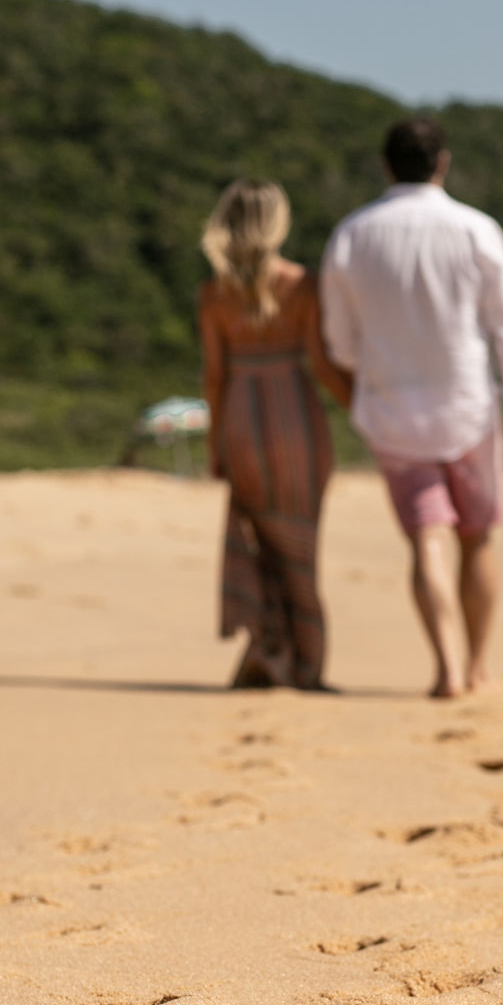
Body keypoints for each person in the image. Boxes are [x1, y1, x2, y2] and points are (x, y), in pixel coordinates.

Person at [320, 117, 503, 698]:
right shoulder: (477, 230)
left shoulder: (352, 235)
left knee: (427, 539)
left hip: (392, 415)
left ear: (386, 165)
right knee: (476, 538)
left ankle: (444, 666)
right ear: (442, 164)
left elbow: (339, 343)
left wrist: (363, 396)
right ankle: (476, 668)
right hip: (467, 408)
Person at [198, 179, 351, 689]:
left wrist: (216, 442)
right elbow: (323, 364)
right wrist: (361, 408)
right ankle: (306, 665)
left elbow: (215, 377)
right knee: (301, 545)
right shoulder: (303, 285)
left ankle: (267, 650)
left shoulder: (214, 294)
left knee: (258, 538)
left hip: (243, 415)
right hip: (295, 416)